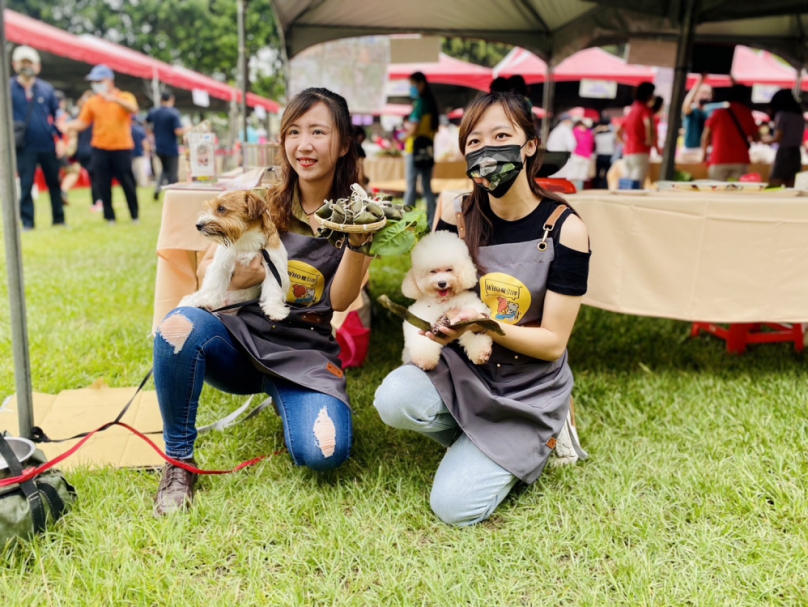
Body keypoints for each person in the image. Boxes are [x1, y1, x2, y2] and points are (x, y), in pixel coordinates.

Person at [152, 88, 372, 516]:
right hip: (237, 341)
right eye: (293, 131)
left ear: (343, 143)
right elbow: (207, 280)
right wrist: (247, 273)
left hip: (304, 353)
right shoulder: (260, 200)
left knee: (324, 454)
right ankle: (178, 463)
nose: (303, 144)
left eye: (318, 132)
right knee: (177, 326)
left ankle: (287, 396)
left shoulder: (356, 210)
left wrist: (360, 240)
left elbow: (342, 299)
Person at [375, 92, 591, 527]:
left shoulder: (566, 230)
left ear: (530, 145)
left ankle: (545, 434)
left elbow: (552, 344)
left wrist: (485, 326)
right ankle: (478, 441)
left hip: (526, 384)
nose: (486, 150)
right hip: (465, 368)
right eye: (474, 142)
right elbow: (433, 290)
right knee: (393, 399)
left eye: (501, 136)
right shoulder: (457, 212)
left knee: (454, 508)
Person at [67, 64, 140, 224]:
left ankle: (135, 215)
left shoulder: (125, 96)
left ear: (110, 81)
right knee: (103, 183)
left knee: (127, 182)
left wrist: (114, 98)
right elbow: (82, 122)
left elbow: (134, 109)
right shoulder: (92, 102)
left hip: (122, 147)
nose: (96, 83)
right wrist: (68, 126)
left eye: (99, 80)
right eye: (94, 81)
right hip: (100, 147)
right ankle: (109, 217)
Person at [10, 45, 66, 230]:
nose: (27, 66)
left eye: (30, 63)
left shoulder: (46, 89)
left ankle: (59, 219)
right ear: (15, 64)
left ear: (37, 66)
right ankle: (28, 222)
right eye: (23, 63)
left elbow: (56, 115)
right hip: (24, 146)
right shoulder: (8, 88)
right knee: (26, 185)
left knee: (54, 183)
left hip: (47, 144)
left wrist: (61, 140)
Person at [702, 85, 760, 181]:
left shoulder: (719, 113)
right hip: (741, 159)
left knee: (717, 191)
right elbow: (756, 137)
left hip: (719, 158)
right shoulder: (747, 114)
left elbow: (706, 136)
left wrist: (704, 155)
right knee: (736, 193)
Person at [404, 72, 439, 226]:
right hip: (428, 148)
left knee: (411, 185)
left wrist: (401, 138)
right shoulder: (431, 103)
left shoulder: (420, 103)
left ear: (420, 84)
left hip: (415, 149)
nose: (411, 88)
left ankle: (407, 221)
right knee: (427, 187)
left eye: (412, 84)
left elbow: (414, 127)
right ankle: (433, 221)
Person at [147, 91, 186, 200]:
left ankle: (158, 188)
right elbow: (178, 131)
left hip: (158, 146)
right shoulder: (174, 113)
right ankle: (173, 195)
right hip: (171, 148)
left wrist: (151, 132)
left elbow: (145, 122)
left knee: (164, 170)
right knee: (173, 173)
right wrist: (188, 129)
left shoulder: (154, 112)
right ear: (172, 99)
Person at [617, 82, 656, 185]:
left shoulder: (632, 110)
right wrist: (649, 141)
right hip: (640, 151)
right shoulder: (645, 109)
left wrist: (625, 143)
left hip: (627, 152)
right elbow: (648, 124)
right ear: (649, 95)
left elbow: (618, 131)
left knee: (627, 185)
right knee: (636, 185)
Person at [765, 89, 805, 188]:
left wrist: (765, 141)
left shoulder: (782, 115)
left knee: (775, 182)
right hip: (796, 153)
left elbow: (778, 138)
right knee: (791, 184)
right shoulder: (800, 117)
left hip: (784, 152)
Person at [567, 119, 595, 191]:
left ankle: (573, 189)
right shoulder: (589, 133)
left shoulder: (574, 131)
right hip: (587, 156)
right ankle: (579, 189)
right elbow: (592, 145)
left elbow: (571, 144)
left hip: (576, 155)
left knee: (574, 174)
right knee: (582, 176)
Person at [593, 117, 616, 189]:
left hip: (599, 155)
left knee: (598, 173)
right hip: (609, 155)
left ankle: (596, 187)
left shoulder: (597, 135)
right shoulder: (612, 134)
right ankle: (606, 187)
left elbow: (591, 134)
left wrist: (598, 128)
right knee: (607, 173)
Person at [131, 117, 150, 188]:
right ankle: (143, 183)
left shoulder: (126, 129)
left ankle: (133, 184)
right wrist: (147, 151)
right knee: (141, 171)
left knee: (131, 171)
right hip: (139, 153)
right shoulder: (140, 129)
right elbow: (144, 142)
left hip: (129, 153)